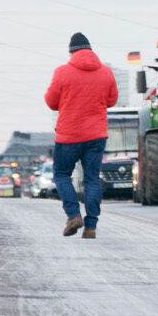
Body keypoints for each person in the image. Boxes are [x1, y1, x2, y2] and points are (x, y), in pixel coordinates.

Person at [44, 32, 118, 239]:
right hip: (96, 135)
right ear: (91, 50)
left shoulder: (62, 72)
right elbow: (112, 100)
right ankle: (91, 227)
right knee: (92, 179)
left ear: (71, 52)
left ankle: (74, 215)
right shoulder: (106, 73)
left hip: (69, 136)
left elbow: (51, 102)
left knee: (62, 175)